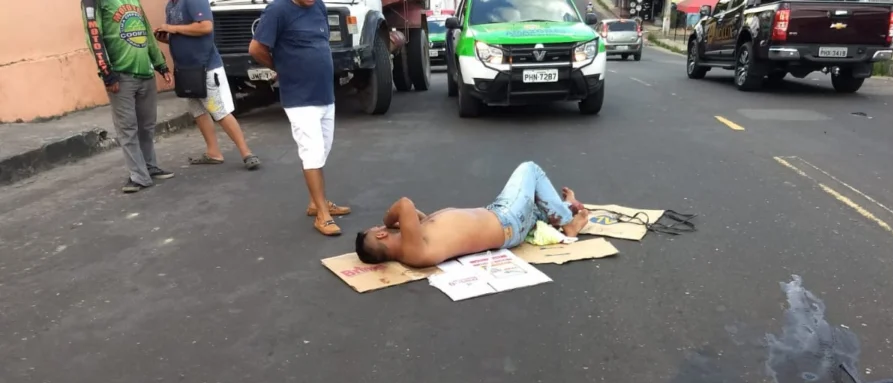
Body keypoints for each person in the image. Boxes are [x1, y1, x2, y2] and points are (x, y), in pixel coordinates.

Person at [355, 162, 591, 268]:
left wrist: (403, 225)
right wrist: (387, 220)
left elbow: (420, 217)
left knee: (540, 204)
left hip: (504, 219)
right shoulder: (412, 249)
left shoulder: (413, 245)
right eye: (376, 229)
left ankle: (564, 207)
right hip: (505, 218)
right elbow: (404, 205)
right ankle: (568, 222)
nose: (379, 227)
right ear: (381, 235)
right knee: (530, 170)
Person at [249, 0, 351, 236]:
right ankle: (322, 216)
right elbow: (256, 48)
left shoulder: (318, 6)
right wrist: (282, 68)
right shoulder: (278, 10)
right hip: (299, 97)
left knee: (323, 149)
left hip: (324, 93)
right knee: (312, 152)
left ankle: (317, 202)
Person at [81, 0, 176, 193]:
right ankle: (139, 176)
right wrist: (107, 73)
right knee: (128, 128)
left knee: (146, 126)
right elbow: (94, 35)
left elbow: (147, 33)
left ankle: (149, 166)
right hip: (121, 76)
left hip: (145, 73)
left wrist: (161, 65)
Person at [156, 0, 260, 170]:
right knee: (198, 111)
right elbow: (184, 34)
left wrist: (173, 28)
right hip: (186, 70)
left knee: (218, 110)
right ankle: (213, 152)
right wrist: (167, 37)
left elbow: (205, 27)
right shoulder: (171, 6)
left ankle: (246, 153)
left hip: (205, 68)